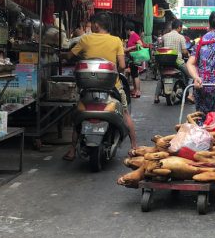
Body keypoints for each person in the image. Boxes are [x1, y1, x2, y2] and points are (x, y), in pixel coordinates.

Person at [64, 13, 138, 159]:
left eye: (91, 25)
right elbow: (122, 66)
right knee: (124, 112)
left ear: (96, 25)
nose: (91, 27)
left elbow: (68, 56)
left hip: (87, 88)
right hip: (112, 86)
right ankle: (134, 146)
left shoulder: (85, 39)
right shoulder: (116, 40)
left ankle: (72, 150)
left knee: (79, 115)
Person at [154, 19, 191, 104]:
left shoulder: (164, 36)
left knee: (161, 77)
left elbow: (161, 48)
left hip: (164, 62)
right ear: (179, 27)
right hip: (177, 62)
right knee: (190, 75)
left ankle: (156, 96)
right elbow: (184, 51)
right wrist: (188, 55)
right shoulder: (181, 37)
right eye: (181, 27)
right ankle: (188, 94)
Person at [124, 21, 146, 98]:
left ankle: (138, 91)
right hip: (132, 58)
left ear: (128, 29)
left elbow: (140, 44)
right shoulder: (131, 36)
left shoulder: (134, 35)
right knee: (133, 74)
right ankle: (135, 89)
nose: (125, 31)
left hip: (135, 57)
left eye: (126, 30)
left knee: (135, 74)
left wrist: (131, 48)